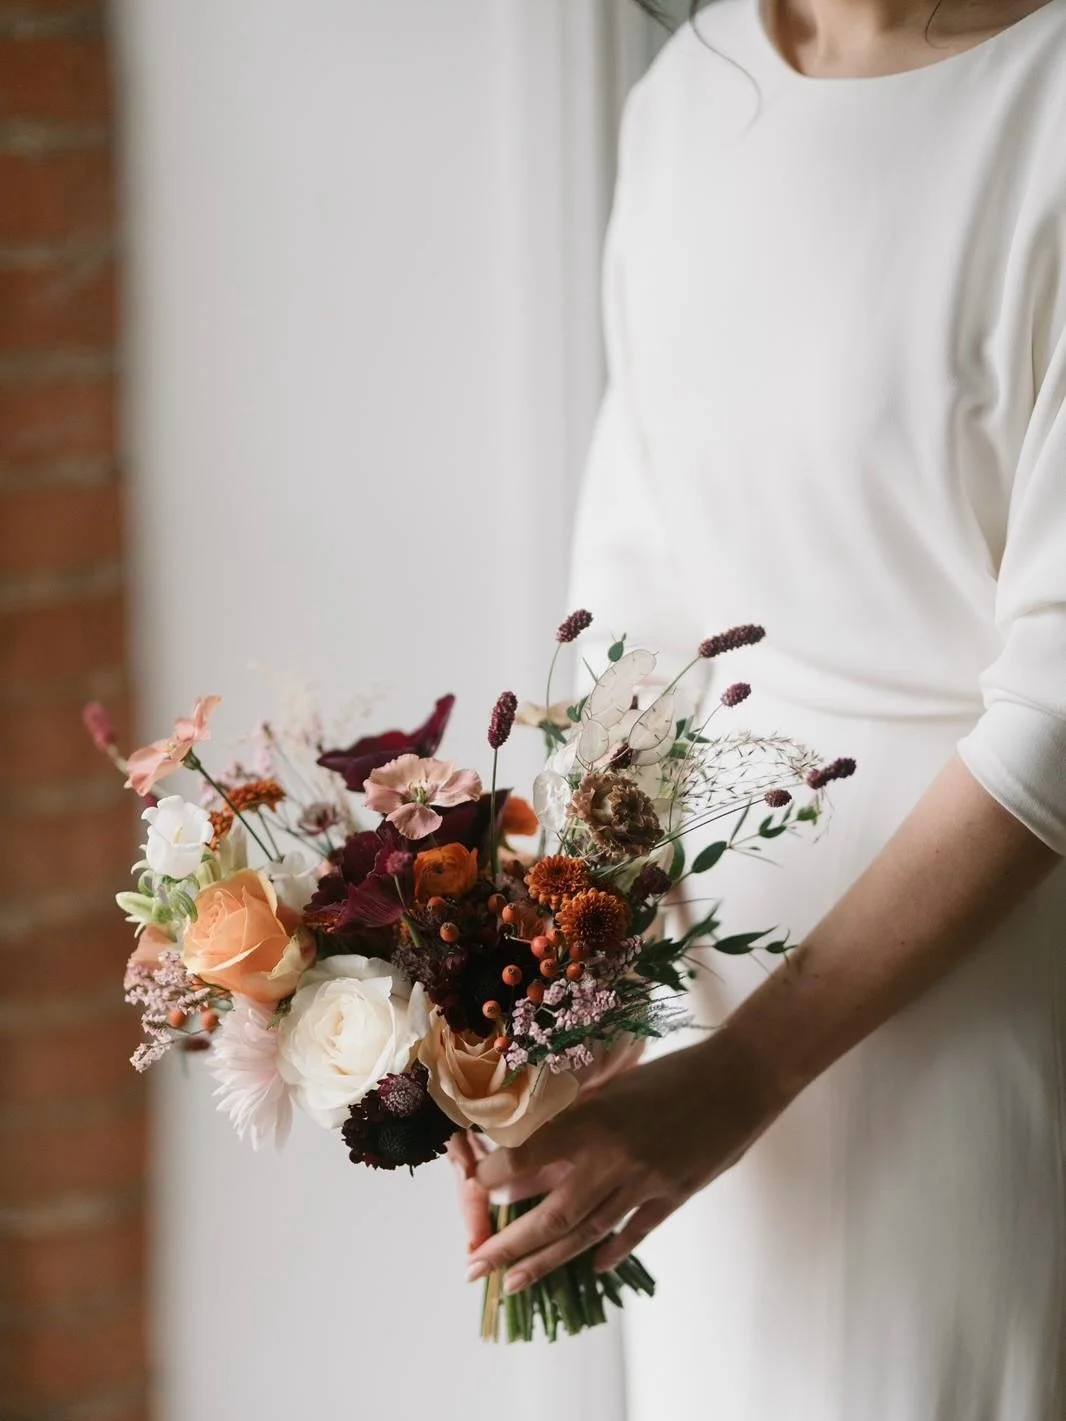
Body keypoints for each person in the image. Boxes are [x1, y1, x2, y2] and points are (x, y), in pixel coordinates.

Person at [454, 1, 1066, 1415]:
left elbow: (1055, 707)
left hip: (968, 996)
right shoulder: (688, 88)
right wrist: (571, 987)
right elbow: (639, 599)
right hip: (694, 993)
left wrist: (742, 1083)